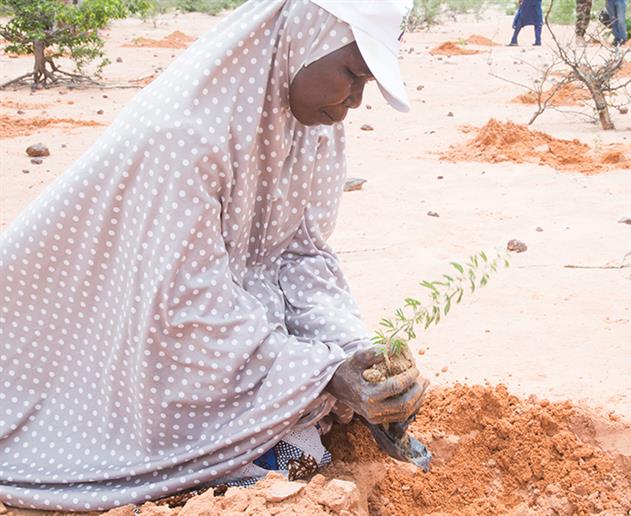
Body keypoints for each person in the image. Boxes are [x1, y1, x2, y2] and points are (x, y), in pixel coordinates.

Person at [0, 0, 428, 511]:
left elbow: (301, 253)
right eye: (353, 75)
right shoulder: (186, 136)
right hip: (84, 333)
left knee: (310, 414)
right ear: (304, 40)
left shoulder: (313, 125)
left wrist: (354, 351)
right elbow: (184, 307)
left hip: (187, 308)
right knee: (294, 455)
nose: (355, 101)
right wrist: (323, 373)